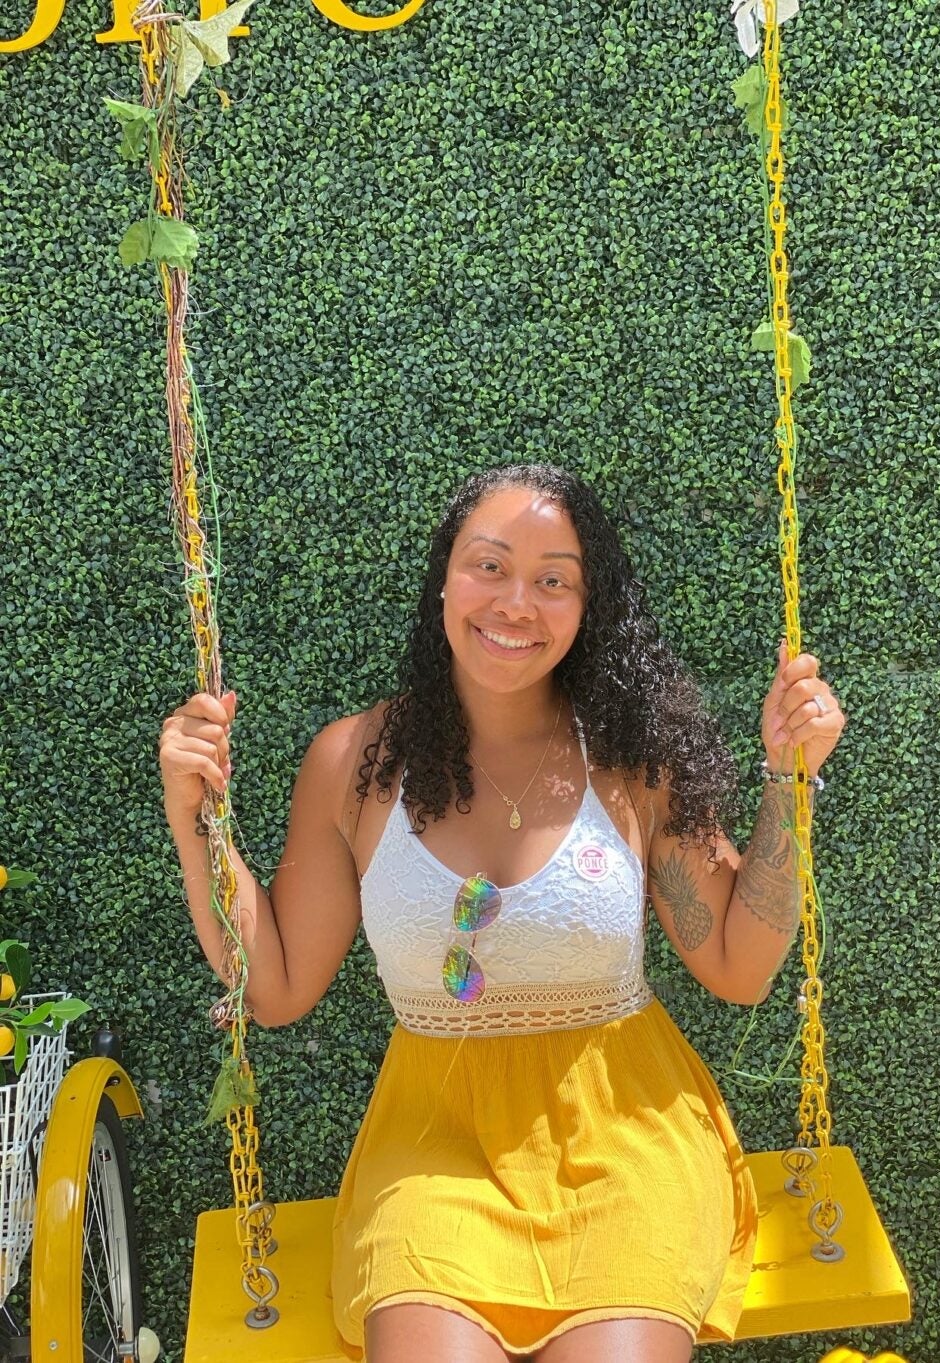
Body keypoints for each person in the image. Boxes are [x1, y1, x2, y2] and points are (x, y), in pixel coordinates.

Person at [159, 463, 846, 1363]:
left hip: (629, 1144)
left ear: (586, 605)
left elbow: (738, 963)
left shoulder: (631, 761)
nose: (517, 601)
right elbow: (277, 984)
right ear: (445, 576)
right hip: (434, 1151)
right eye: (490, 565)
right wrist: (192, 814)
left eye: (554, 578)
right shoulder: (353, 765)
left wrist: (789, 783)